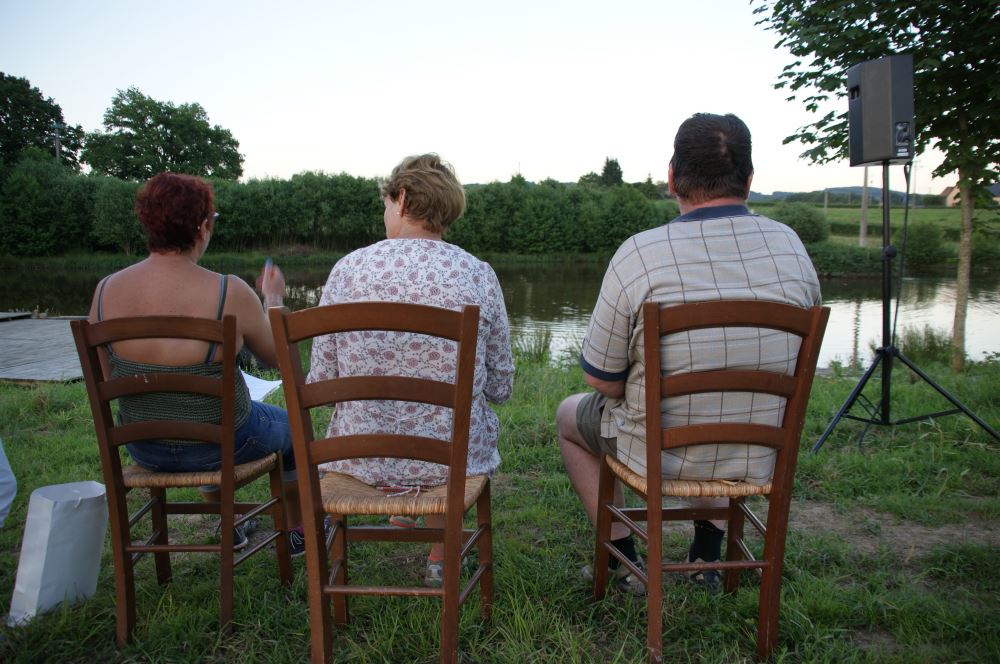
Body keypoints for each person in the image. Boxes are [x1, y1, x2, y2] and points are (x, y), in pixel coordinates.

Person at [557, 113, 822, 595]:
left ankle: (626, 562)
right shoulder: (793, 248)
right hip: (759, 451)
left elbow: (602, 379)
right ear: (749, 180)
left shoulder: (640, 254)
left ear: (672, 177)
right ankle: (705, 555)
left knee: (570, 418)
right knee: (730, 401)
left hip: (662, 454)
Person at [307, 154, 514, 587]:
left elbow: (321, 383)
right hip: (450, 464)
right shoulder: (477, 274)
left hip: (361, 459)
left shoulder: (347, 270)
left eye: (385, 203)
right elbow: (500, 387)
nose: (385, 213)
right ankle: (440, 552)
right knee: (460, 425)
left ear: (401, 198)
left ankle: (401, 520)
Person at [87, 172, 305, 554]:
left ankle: (230, 521)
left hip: (143, 447)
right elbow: (280, 362)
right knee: (292, 429)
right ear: (203, 226)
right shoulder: (228, 291)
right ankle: (299, 529)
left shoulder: (105, 290)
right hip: (219, 446)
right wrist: (272, 300)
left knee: (208, 419)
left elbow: (107, 378)